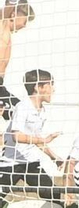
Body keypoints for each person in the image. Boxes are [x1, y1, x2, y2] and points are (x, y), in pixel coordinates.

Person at [0, 67, 62, 200]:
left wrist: (54, 157)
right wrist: (44, 139)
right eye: (50, 85)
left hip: (30, 163)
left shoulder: (42, 111)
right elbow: (17, 136)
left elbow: (38, 140)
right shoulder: (22, 107)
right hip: (10, 163)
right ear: (38, 87)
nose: (53, 89)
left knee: (54, 194)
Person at [0, 1, 35, 123]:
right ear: (14, 14)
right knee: (23, 114)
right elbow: (9, 5)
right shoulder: (2, 25)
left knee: (24, 115)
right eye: (25, 21)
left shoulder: (8, 34)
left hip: (0, 85)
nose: (25, 25)